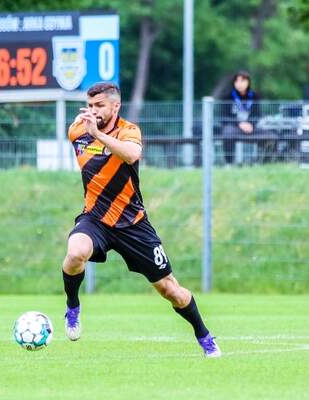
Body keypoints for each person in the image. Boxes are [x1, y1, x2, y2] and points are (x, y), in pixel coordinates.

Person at [62, 82, 221, 358]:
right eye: (89, 105)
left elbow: (131, 154)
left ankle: (204, 336)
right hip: (95, 219)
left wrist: (98, 134)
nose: (93, 111)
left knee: (170, 290)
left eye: (99, 105)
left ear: (116, 106)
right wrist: (92, 131)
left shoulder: (128, 130)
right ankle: (72, 307)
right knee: (75, 253)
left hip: (133, 223)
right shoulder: (78, 130)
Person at [221, 70, 261, 164]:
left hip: (251, 128)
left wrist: (251, 124)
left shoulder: (254, 96)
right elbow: (224, 117)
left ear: (248, 82)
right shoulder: (227, 96)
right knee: (227, 133)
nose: (239, 83)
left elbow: (257, 115)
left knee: (270, 136)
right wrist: (240, 123)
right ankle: (229, 163)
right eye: (237, 81)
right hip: (233, 126)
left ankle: (264, 163)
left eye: (242, 80)